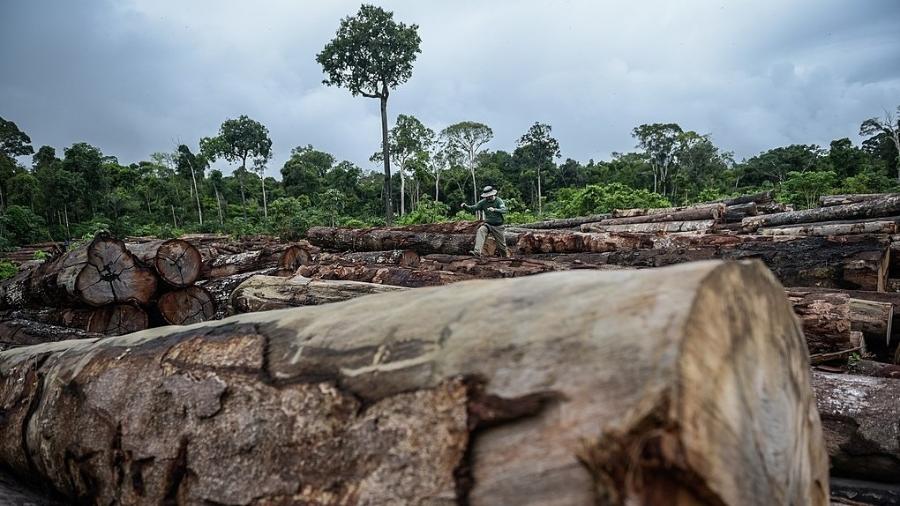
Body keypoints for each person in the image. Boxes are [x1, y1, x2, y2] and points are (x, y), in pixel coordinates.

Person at [460, 185, 510, 257]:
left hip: (498, 226)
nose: (487, 197)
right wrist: (465, 206)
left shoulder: (499, 201)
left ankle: (505, 258)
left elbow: (504, 210)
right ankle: (477, 252)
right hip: (488, 224)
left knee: (501, 246)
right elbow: (473, 208)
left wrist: (495, 209)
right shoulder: (483, 202)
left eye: (488, 196)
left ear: (492, 194)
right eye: (486, 196)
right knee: (481, 230)